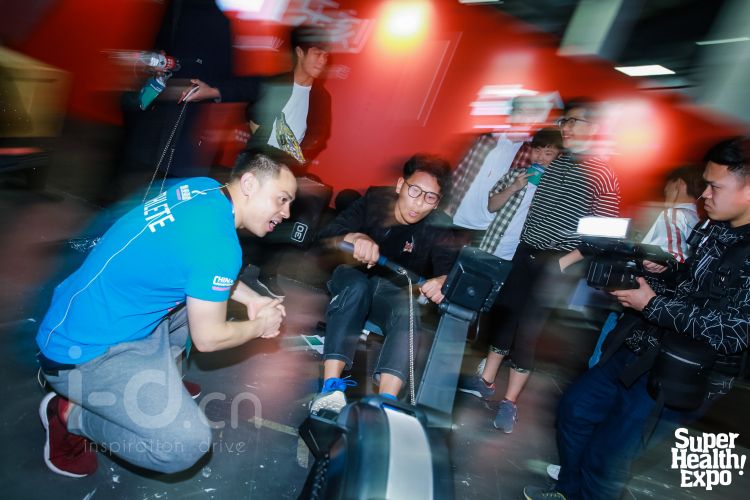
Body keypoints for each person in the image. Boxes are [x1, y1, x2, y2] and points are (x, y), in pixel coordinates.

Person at [36, 148, 296, 477]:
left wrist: (251, 299)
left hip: (83, 314)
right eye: (282, 199)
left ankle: (159, 380)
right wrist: (260, 324)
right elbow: (209, 339)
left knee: (198, 300)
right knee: (185, 445)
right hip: (80, 355)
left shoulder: (204, 188)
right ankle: (70, 415)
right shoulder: (219, 245)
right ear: (249, 184)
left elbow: (197, 264)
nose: (286, 213)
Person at [524, 137, 750, 500]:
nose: (704, 194)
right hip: (642, 345)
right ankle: (568, 491)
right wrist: (664, 271)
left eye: (715, 186)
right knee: (575, 409)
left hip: (680, 372)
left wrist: (652, 305)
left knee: (607, 459)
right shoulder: (714, 227)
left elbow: (735, 331)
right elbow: (692, 286)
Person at [458, 98, 621, 434]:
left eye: (573, 122)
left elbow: (605, 236)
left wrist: (565, 262)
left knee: (528, 331)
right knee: (506, 316)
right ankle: (485, 381)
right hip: (525, 252)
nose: (566, 128)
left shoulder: (604, 174)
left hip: (557, 263)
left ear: (594, 128)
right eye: (564, 122)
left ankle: (510, 402)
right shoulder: (558, 164)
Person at [309, 154, 457, 415]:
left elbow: (448, 269)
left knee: (407, 308)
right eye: (414, 191)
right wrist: (355, 237)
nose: (419, 202)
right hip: (352, 276)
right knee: (356, 287)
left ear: (437, 203)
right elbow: (325, 237)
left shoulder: (439, 226)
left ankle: (386, 404)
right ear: (400, 185)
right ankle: (330, 388)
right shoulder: (375, 201)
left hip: (390, 291)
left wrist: (442, 281)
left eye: (429, 197)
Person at [185, 24, 331, 174]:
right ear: (300, 52)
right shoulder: (276, 84)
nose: (322, 61)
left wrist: (299, 163)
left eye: (325, 56)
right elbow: (242, 89)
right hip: (256, 165)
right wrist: (211, 91)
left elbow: (319, 137)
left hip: (288, 172)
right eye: (317, 54)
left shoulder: (322, 98)